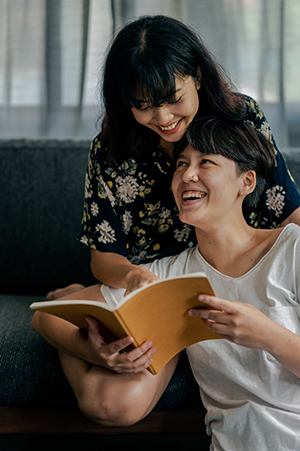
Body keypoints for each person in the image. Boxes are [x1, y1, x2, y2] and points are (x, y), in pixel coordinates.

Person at [33, 117, 300, 450]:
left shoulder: (292, 249)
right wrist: (96, 352)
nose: (187, 175)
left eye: (206, 162)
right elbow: (45, 315)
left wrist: (266, 335)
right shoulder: (171, 277)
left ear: (246, 182)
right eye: (182, 165)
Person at [46, 14, 300, 301]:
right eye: (143, 106)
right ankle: (73, 295)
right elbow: (106, 255)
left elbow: (286, 210)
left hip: (239, 273)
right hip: (155, 284)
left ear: (198, 76)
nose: (164, 118)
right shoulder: (111, 152)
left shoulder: (240, 119)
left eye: (174, 98)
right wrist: (132, 276)